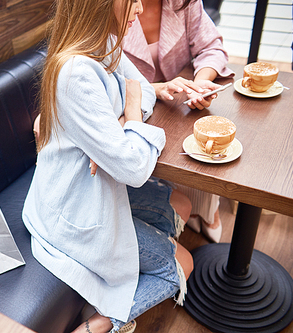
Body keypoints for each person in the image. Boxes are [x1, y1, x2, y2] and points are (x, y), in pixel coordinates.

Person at [22, 1, 193, 332]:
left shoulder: (106, 43)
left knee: (181, 205)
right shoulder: (76, 72)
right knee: (182, 264)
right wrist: (128, 119)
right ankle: (99, 326)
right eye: (132, 0)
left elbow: (142, 90)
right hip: (74, 209)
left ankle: (122, 275)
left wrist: (114, 127)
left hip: (97, 187)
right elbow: (133, 168)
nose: (141, 9)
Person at [122, 0, 235, 242]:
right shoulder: (111, 8)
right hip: (135, 108)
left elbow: (211, 47)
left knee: (206, 146)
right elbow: (106, 78)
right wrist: (156, 88)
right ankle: (190, 210)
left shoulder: (184, 3)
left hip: (181, 104)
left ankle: (204, 209)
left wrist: (201, 81)